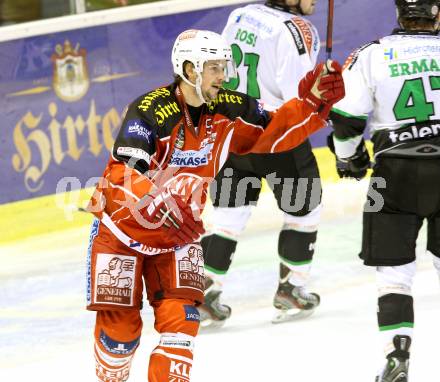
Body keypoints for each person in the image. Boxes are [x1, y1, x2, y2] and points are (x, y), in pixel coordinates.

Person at [85, 28, 344, 382]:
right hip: (120, 235)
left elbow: (274, 132)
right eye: (215, 68)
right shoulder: (149, 111)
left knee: (182, 328)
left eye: (224, 67)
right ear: (190, 70)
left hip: (177, 239)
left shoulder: (230, 108)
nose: (223, 75)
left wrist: (313, 103)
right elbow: (122, 174)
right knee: (120, 337)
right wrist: (162, 203)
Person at [327, 1, 440, 380]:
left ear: (399, 14)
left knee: (394, 275)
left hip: (393, 172)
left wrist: (349, 158)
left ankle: (397, 357)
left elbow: (346, 119)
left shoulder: (371, 54)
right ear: (436, 14)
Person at [199, 0, 323, 326]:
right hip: (276, 133)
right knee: (304, 209)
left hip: (231, 127)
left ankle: (203, 292)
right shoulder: (299, 30)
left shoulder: (241, 14)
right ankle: (292, 288)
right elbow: (298, 96)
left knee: (228, 213)